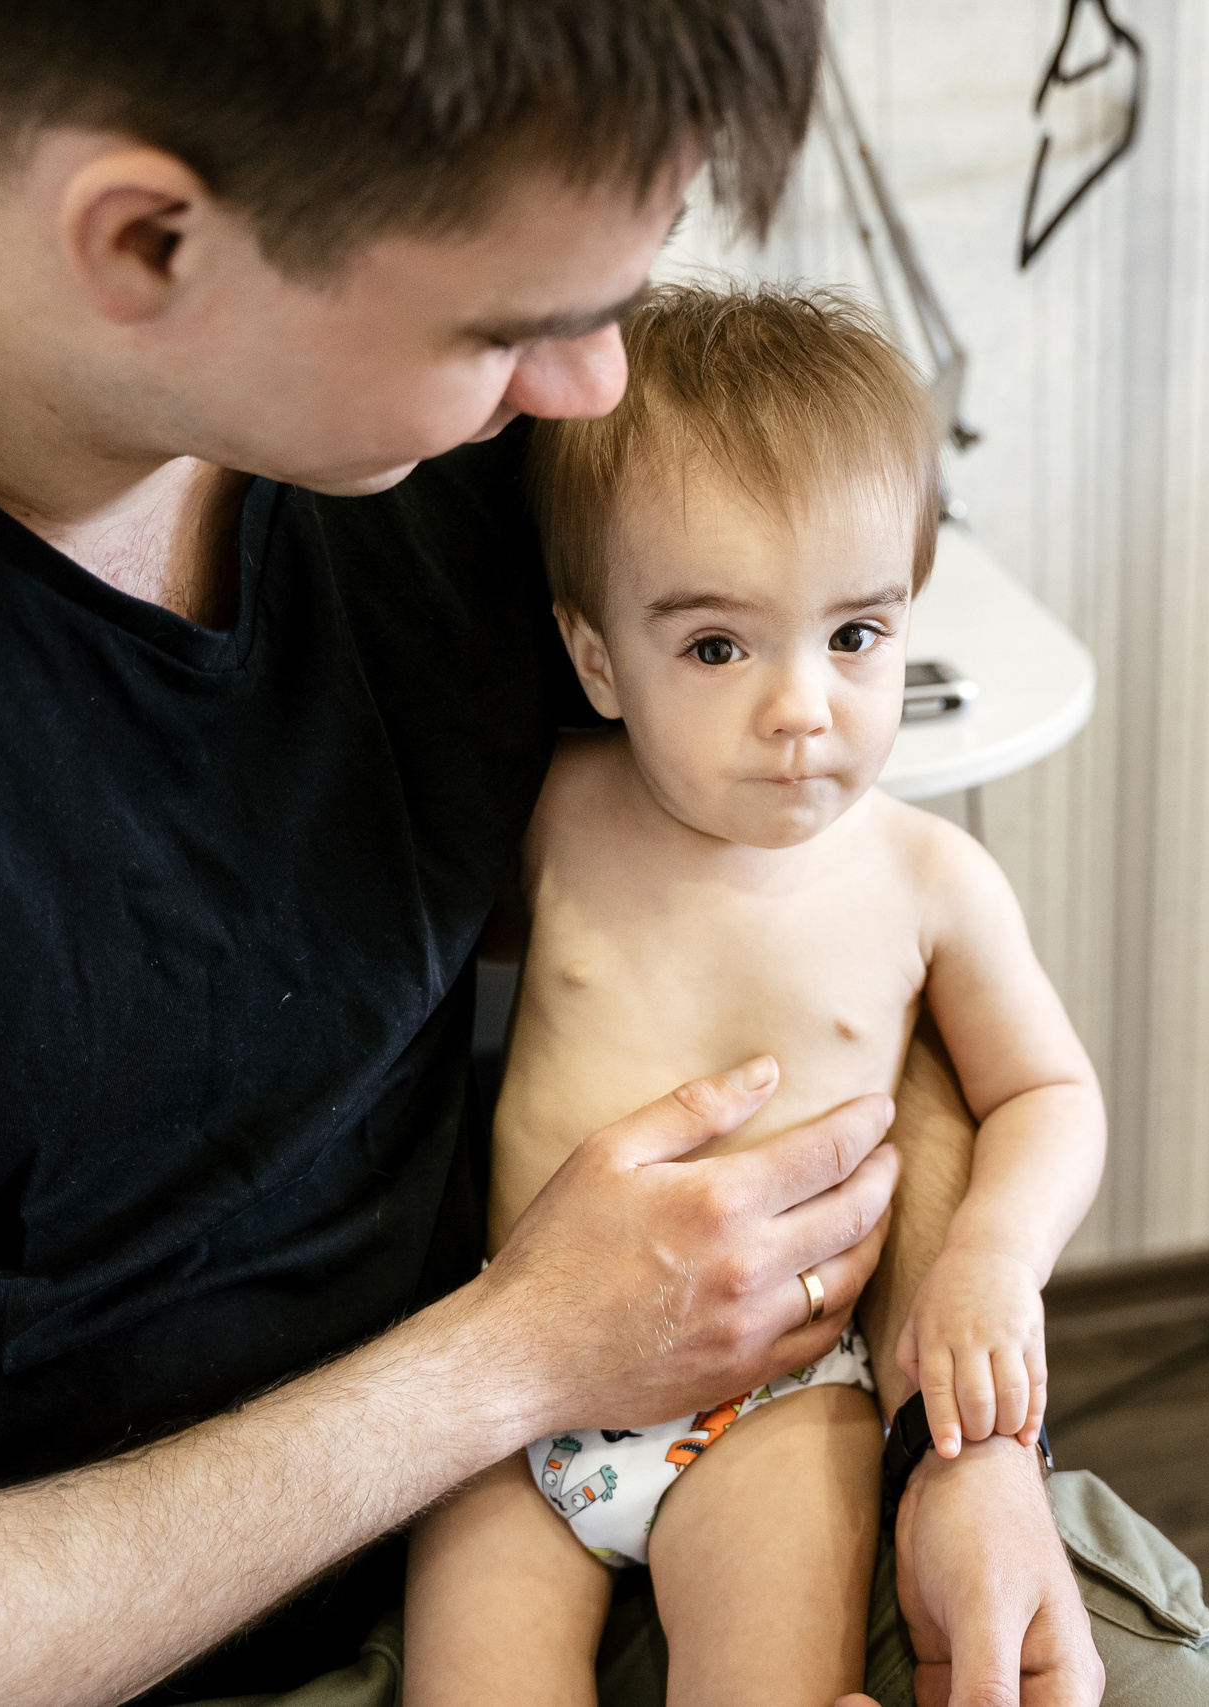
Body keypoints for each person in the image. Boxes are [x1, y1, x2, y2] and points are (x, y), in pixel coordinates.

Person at [0, 4, 1209, 1705]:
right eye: (515, 328)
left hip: (661, 1446)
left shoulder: (447, 431)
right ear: (150, 241)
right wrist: (514, 1356)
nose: (591, 386)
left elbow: (821, 933)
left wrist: (952, 1432)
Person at [402, 283, 1108, 1706]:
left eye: (855, 635)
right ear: (598, 659)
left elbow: (1050, 1092)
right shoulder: (553, 813)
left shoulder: (932, 881)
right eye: (719, 647)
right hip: (518, 1381)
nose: (804, 709)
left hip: (776, 1409)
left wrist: (988, 1261)